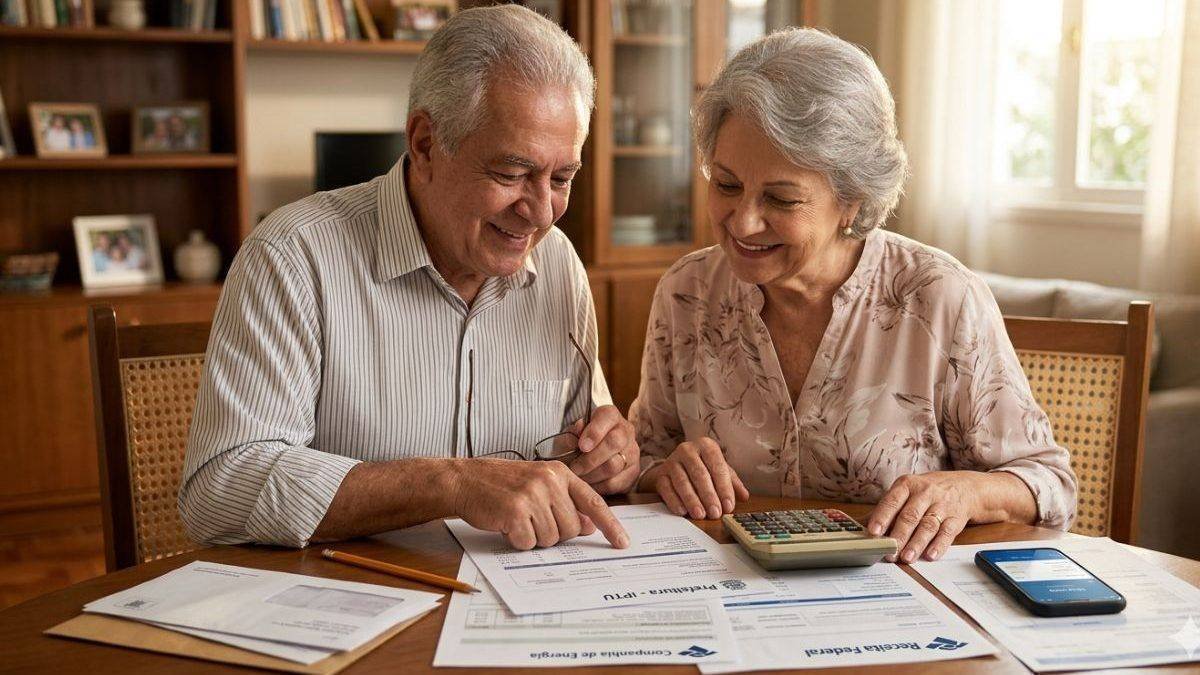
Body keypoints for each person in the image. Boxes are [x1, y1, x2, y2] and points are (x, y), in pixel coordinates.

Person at [180, 5, 638, 552]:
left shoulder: (558, 262)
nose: (541, 213)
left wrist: (610, 457)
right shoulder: (294, 256)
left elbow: (580, 452)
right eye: (512, 174)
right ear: (424, 143)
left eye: (562, 177)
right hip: (353, 604)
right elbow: (219, 491)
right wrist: (449, 483)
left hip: (521, 600)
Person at [629, 28, 1077, 564]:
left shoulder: (939, 299)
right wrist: (666, 468)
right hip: (729, 595)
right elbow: (645, 453)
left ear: (853, 199)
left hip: (899, 604)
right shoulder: (686, 294)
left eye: (782, 198)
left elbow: (1049, 486)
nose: (743, 222)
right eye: (726, 185)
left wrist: (966, 491)